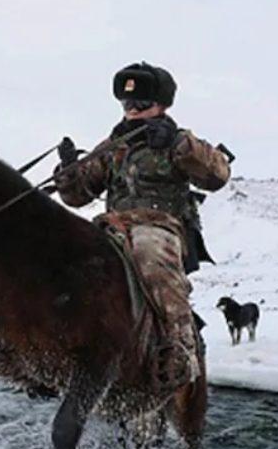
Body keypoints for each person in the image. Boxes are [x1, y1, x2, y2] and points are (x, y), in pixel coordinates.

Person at [54, 62, 232, 387]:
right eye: (127, 105)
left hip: (160, 226)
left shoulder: (180, 140)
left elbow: (217, 175)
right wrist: (68, 170)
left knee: (151, 257)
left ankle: (181, 352)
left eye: (141, 105)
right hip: (111, 226)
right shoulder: (113, 145)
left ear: (162, 105)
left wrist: (177, 145)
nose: (132, 111)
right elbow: (79, 195)